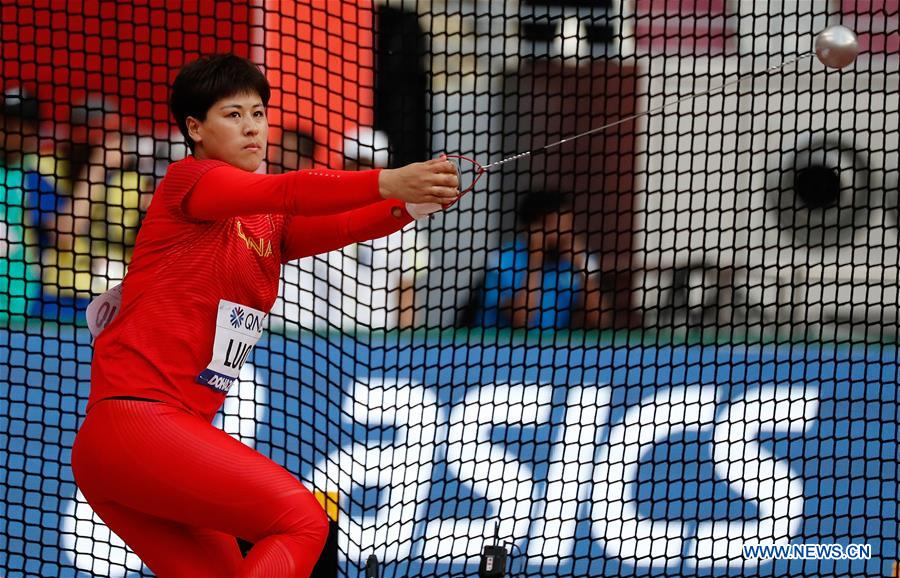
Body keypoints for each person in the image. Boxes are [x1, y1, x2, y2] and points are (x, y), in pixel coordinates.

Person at [70, 54, 457, 578]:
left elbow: (342, 226)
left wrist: (415, 204)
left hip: (143, 445)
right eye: (233, 114)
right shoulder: (191, 180)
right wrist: (389, 180)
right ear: (195, 129)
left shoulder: (266, 222)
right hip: (138, 425)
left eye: (258, 113)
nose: (252, 126)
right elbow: (290, 189)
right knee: (302, 521)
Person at [468, 191, 602, 329]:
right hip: (497, 347)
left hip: (552, 348)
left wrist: (582, 267)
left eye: (569, 227)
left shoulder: (572, 260)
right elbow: (521, 320)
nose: (566, 236)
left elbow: (600, 320)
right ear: (531, 229)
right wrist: (535, 258)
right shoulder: (502, 262)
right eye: (558, 227)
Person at [0, 87, 54, 324]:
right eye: (7, 122)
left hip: (18, 306)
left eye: (19, 124)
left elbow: (62, 232)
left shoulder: (33, 177)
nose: (10, 131)